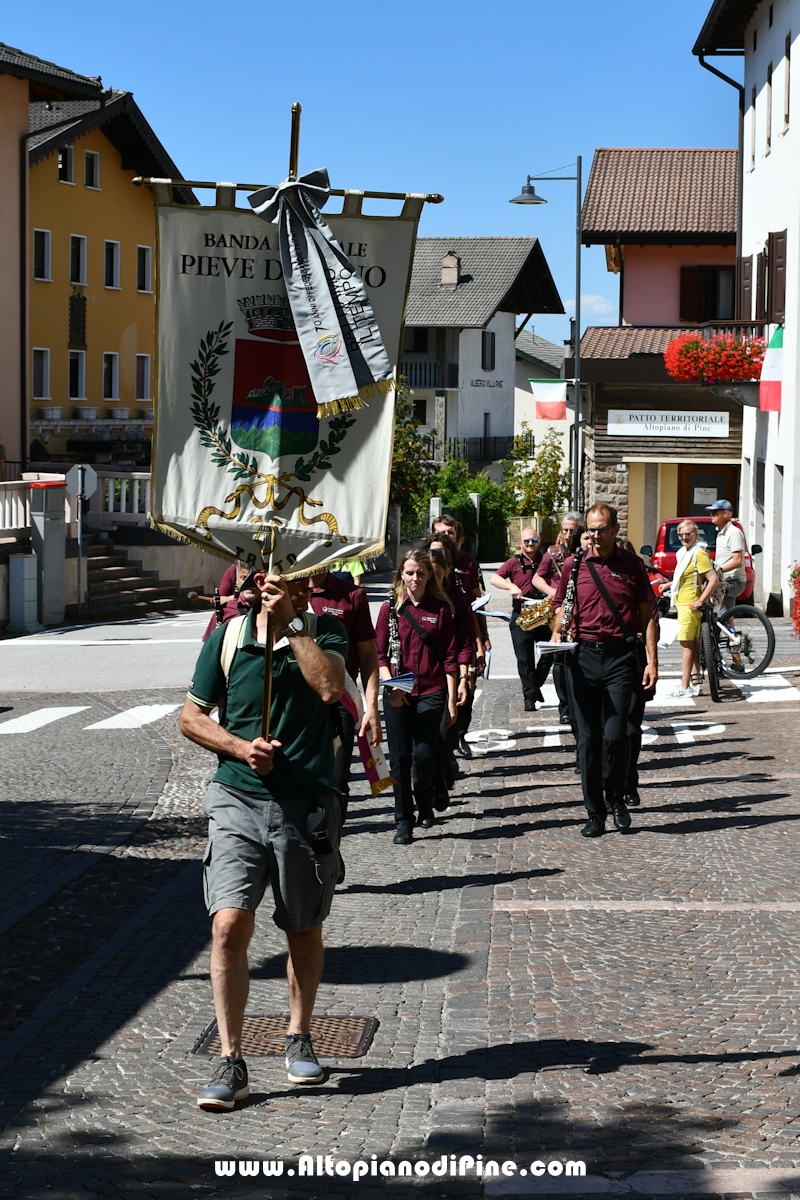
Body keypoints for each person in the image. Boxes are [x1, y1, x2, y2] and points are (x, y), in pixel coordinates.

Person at [179, 570, 347, 1110]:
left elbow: (328, 687)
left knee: (302, 925)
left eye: (285, 583)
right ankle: (231, 1061)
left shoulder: (325, 629)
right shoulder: (228, 637)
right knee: (228, 925)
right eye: (263, 582)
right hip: (236, 798)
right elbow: (190, 717)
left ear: (304, 589)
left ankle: (299, 1035)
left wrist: (293, 624)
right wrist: (235, 746)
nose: (269, 590)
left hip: (305, 805)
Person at [551, 503, 658, 838]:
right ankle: (594, 812)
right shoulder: (574, 564)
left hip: (620, 659)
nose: (594, 536)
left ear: (614, 529)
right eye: (590, 530)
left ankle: (617, 798)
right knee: (588, 741)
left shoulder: (632, 566)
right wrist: (557, 629)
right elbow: (560, 605)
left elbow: (647, 615)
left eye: (601, 529)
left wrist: (652, 660)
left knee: (617, 736)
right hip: (582, 657)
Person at [375, 550, 458, 845]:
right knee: (399, 759)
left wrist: (450, 699)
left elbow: (450, 658)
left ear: (429, 575)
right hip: (398, 691)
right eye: (409, 572)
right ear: (402, 574)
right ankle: (403, 820)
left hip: (432, 690)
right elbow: (380, 655)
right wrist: (392, 687)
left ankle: (424, 799)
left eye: (420, 573)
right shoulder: (390, 609)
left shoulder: (441, 609)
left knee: (424, 754)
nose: (415, 578)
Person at [309, 569, 381, 818]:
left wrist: (371, 706)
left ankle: (332, 843)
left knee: (338, 780)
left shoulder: (352, 595)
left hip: (342, 700)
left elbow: (368, 655)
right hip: (299, 701)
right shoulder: (285, 591)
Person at [428, 544, 472, 808]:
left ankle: (442, 779)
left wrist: (465, 677)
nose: (432, 579)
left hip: (451, 674)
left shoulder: (457, 599)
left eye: (436, 573)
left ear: (446, 571)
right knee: (424, 742)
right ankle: (430, 786)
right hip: (423, 675)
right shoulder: (415, 599)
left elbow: (466, 640)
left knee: (445, 735)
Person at [532, 514, 584, 724]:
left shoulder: (587, 553)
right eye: (565, 530)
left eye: (573, 530)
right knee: (559, 661)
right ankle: (564, 707)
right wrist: (553, 592)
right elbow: (537, 578)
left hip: (582, 613)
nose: (569, 535)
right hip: (561, 610)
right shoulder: (553, 553)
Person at [490, 528, 549, 712]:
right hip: (521, 615)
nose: (530, 544)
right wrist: (511, 586)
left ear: (538, 541)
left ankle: (535, 685)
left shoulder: (547, 559)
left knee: (550, 654)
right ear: (520, 543)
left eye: (534, 540)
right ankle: (529, 698)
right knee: (525, 660)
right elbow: (494, 578)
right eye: (526, 541)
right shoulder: (513, 562)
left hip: (545, 614)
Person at [668, 520, 719, 697]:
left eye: (688, 534)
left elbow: (713, 579)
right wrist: (669, 585)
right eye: (680, 534)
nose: (684, 537)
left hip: (689, 604)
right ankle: (696, 681)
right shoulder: (683, 553)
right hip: (682, 602)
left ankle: (684, 686)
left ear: (696, 535)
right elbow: (685, 576)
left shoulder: (698, 554)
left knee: (686, 645)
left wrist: (699, 601)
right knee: (693, 644)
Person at [706, 499, 746, 613]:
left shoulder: (734, 533)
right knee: (726, 616)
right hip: (725, 578)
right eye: (711, 513)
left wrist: (718, 571)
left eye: (715, 513)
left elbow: (737, 561)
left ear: (726, 514)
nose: (711, 515)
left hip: (732, 580)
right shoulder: (720, 532)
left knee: (721, 613)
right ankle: (730, 631)